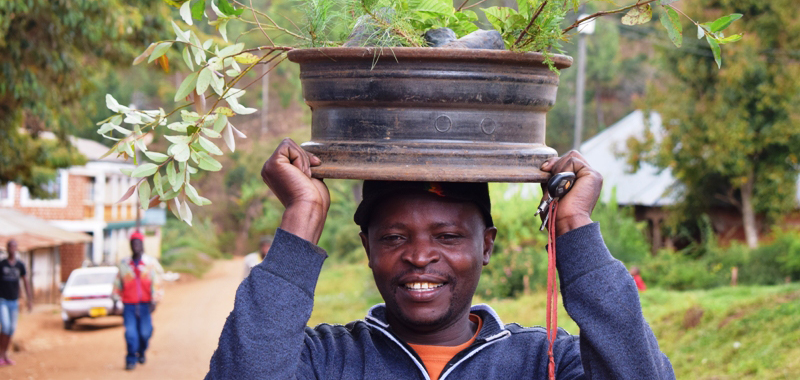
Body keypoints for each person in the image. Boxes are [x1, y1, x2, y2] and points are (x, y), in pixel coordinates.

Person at [206, 138, 676, 379]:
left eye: (448, 236)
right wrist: (302, 214)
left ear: (486, 246)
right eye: (393, 237)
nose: (419, 255)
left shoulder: (545, 363)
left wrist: (575, 229)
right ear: (368, 249)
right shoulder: (326, 360)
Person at [114, 231, 164, 371]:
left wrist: (155, 300)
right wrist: (116, 299)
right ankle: (131, 359)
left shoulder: (150, 264)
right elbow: (118, 283)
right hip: (129, 305)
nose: (136, 246)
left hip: (145, 305)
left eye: (138, 243)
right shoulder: (124, 264)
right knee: (130, 333)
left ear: (142, 245)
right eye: (133, 243)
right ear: (130, 245)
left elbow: (157, 283)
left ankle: (141, 351)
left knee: (145, 333)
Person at [0, 239, 33, 367]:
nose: (12, 249)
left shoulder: (20, 265)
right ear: (7, 248)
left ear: (17, 248)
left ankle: (5, 355)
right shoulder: (2, 264)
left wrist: (29, 299)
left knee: (11, 329)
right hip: (2, 300)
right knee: (6, 327)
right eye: (10, 246)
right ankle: (1, 354)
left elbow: (25, 282)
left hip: (14, 301)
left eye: (14, 246)